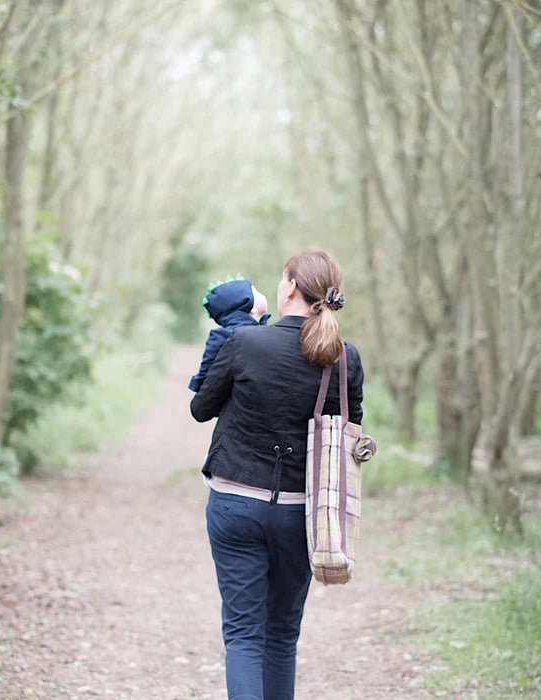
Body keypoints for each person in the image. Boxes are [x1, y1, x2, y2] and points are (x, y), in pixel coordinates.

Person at [190, 250, 364, 700]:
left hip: (234, 506)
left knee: (244, 636)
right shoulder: (344, 358)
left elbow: (200, 409)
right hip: (300, 514)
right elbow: (350, 429)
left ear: (289, 288)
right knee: (282, 636)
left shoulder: (244, 343)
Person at [189, 276, 270, 392]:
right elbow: (207, 369)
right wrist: (200, 383)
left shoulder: (267, 331)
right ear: (251, 307)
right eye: (256, 291)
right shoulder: (222, 335)